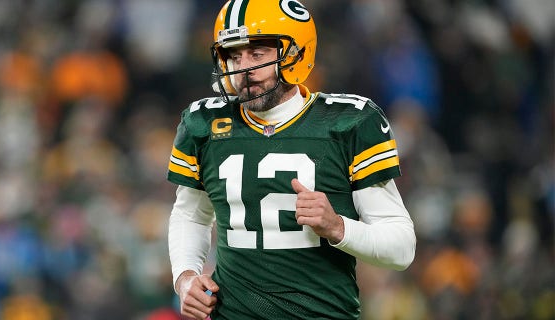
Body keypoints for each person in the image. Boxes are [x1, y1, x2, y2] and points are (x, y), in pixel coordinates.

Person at [166, 0, 416, 319]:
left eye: (257, 54)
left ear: (296, 53)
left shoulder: (349, 123)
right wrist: (185, 276)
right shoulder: (204, 123)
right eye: (233, 55)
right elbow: (191, 215)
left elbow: (401, 248)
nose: (244, 69)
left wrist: (338, 227)